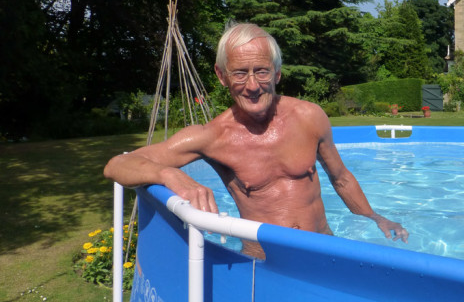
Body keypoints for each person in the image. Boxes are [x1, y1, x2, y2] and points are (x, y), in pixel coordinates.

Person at [104, 23, 409, 258]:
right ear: (222, 75)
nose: (252, 86)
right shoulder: (212, 137)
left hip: (322, 250)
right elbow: (117, 165)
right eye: (239, 74)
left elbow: (341, 178)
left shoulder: (310, 117)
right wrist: (170, 175)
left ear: (277, 73)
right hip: (263, 260)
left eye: (261, 71)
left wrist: (375, 218)